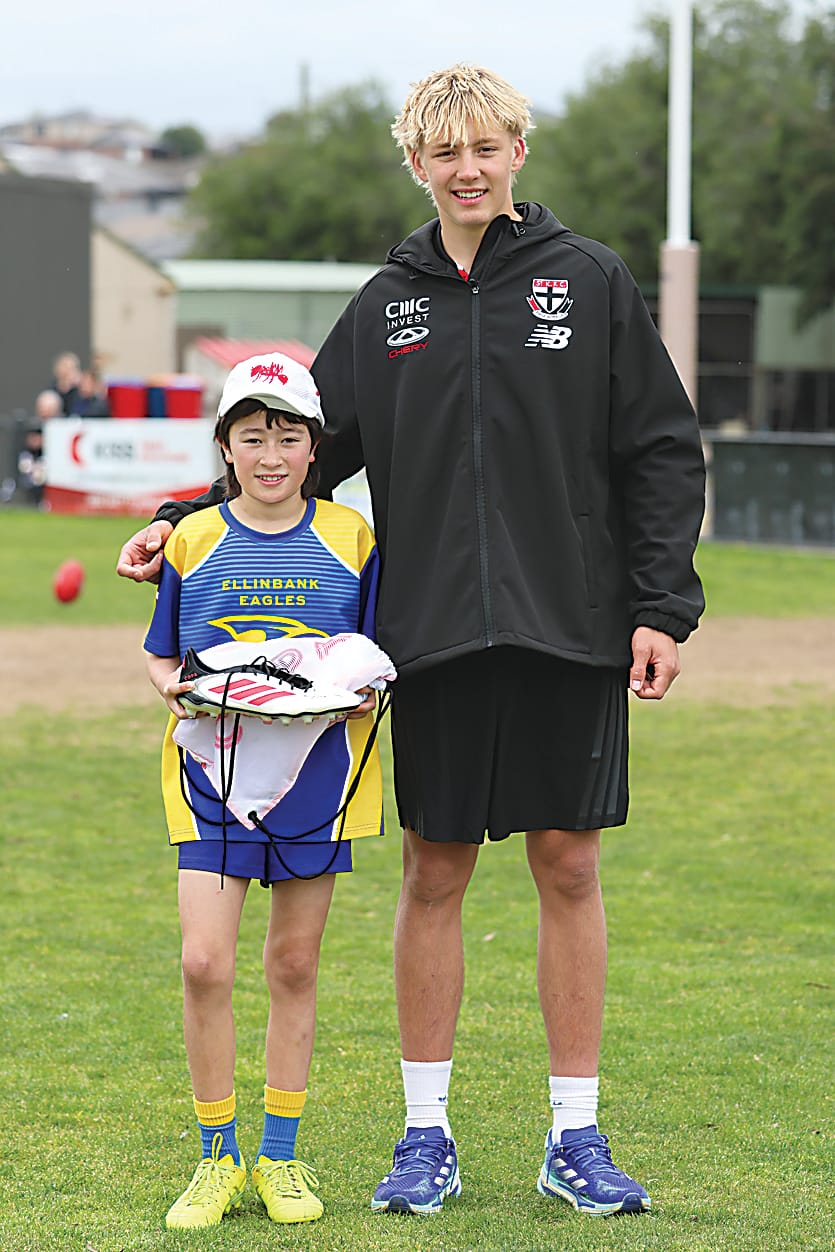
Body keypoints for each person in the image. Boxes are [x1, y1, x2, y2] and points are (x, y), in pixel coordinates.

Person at [118, 63, 706, 1220]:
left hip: (570, 630)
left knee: (569, 867)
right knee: (433, 873)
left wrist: (658, 606)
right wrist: (180, 518)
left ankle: (574, 1136)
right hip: (427, 635)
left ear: (516, 154)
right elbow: (295, 444)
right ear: (417, 164)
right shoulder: (386, 304)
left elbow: (659, 450)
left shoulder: (588, 282)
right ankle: (423, 1132)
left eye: (487, 148)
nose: (468, 169)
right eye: (446, 154)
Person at [143, 351, 386, 1229]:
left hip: (319, 773)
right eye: (252, 436)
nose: (271, 454)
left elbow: (371, 654)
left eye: (287, 435)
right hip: (210, 768)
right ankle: (216, 1158)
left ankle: (279, 1157)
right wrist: (173, 686)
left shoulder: (351, 537)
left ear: (314, 447)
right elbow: (163, 652)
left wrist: (360, 687)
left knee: (293, 963)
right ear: (225, 447)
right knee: (203, 962)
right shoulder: (192, 538)